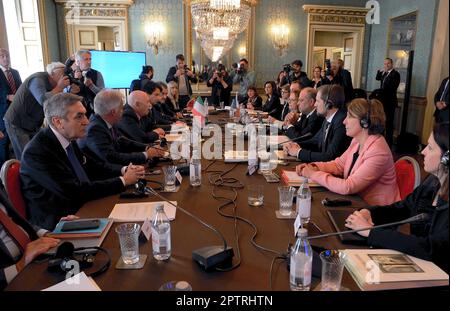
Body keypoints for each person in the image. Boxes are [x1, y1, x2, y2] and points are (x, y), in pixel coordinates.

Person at [20, 93, 145, 229]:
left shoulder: (68, 138)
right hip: (60, 221)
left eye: (85, 115)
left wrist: (124, 170)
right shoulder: (38, 152)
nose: (87, 121)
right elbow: (73, 191)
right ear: (58, 122)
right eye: (79, 116)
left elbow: (94, 166)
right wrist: (123, 181)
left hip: (82, 205)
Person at [345, 122, 449, 273]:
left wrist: (371, 232)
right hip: (421, 266)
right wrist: (369, 213)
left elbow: (430, 248)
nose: (423, 152)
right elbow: (402, 208)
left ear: (446, 159)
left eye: (431, 148)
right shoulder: (432, 183)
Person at [296, 98, 400, 206]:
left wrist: (313, 174)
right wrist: (313, 166)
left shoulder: (378, 152)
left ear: (365, 122)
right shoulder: (356, 141)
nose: (344, 121)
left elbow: (348, 186)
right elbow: (338, 165)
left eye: (349, 116)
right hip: (357, 204)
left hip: (376, 213)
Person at [78, 89, 165, 167]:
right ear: (113, 112)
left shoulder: (107, 123)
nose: (123, 111)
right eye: (121, 108)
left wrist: (147, 147)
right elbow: (112, 157)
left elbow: (123, 141)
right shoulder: (95, 129)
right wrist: (145, 155)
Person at [3, 62, 73, 159]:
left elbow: (56, 104)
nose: (65, 76)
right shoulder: (37, 79)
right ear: (52, 73)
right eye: (63, 72)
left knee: (37, 152)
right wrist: (59, 88)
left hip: (32, 124)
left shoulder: (53, 85)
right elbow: (43, 100)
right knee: (26, 155)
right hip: (17, 122)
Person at [284, 84, 351, 163]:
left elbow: (330, 156)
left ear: (329, 104)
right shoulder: (328, 119)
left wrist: (298, 152)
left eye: (318, 101)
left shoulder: (341, 122)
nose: (315, 105)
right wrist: (294, 145)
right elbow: (314, 141)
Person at [0, 48, 22, 166]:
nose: (5, 58)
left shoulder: (15, 72)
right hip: (2, 115)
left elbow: (21, 89)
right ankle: (4, 176)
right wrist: (7, 96)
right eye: (2, 56)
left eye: (7, 55)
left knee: (18, 144)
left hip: (17, 114)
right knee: (3, 146)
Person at [375, 58, 400, 147]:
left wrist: (380, 90)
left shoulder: (395, 74)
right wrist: (380, 71)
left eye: (388, 63)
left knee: (389, 122)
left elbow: (392, 87)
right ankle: (380, 141)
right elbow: (377, 78)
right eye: (385, 64)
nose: (386, 65)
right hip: (382, 101)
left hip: (390, 102)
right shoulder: (384, 74)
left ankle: (389, 143)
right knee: (381, 121)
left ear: (392, 64)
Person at [73, 50, 105, 116]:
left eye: (90, 59)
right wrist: (75, 79)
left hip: (95, 111)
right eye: (86, 59)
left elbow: (103, 95)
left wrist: (91, 86)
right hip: (76, 112)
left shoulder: (97, 74)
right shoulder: (71, 75)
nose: (89, 62)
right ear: (78, 62)